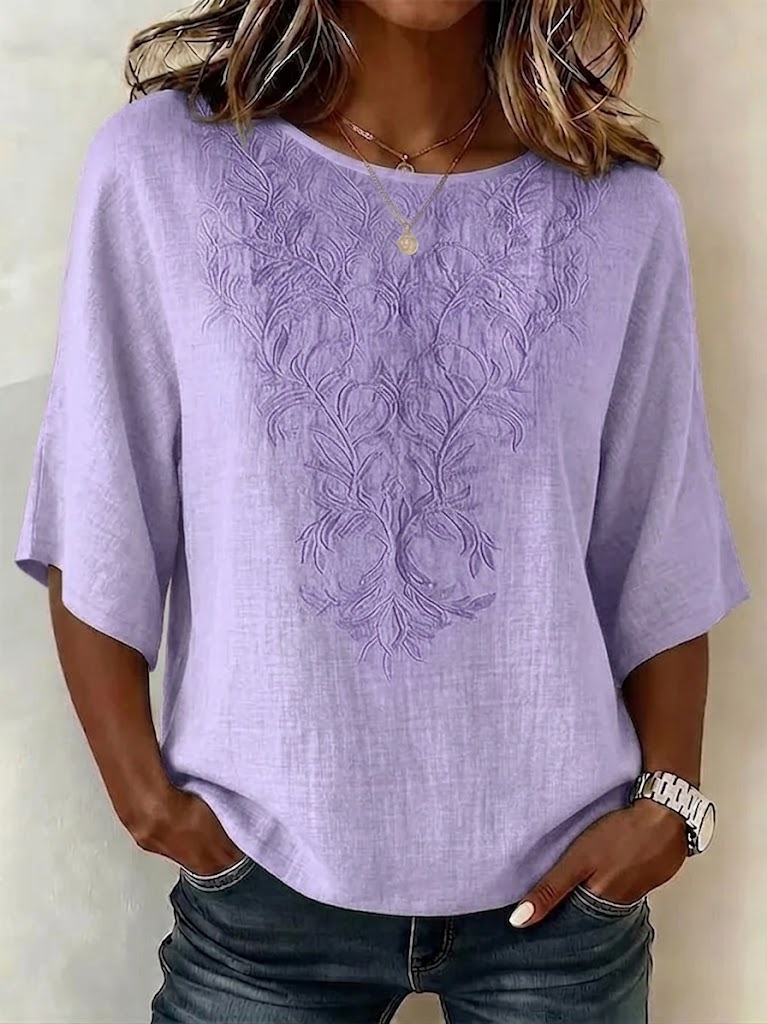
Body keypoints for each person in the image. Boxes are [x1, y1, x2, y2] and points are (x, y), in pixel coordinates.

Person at [15, 0, 749, 1021]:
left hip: (562, 903)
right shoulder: (163, 172)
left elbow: (657, 540)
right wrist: (146, 802)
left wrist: (668, 806)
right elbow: (99, 501)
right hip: (262, 896)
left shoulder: (618, 211)